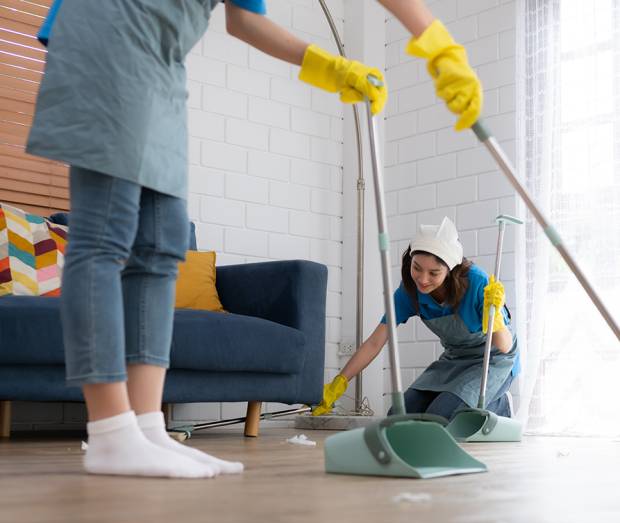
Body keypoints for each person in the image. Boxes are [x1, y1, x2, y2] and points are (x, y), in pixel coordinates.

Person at [27, 0, 482, 478]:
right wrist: (438, 43)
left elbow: (243, 19)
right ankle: (110, 432)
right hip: (111, 30)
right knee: (105, 238)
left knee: (161, 248)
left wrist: (328, 65)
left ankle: (144, 427)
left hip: (162, 60)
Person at [313, 218, 519, 420]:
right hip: (455, 359)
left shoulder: (478, 283)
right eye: (417, 268)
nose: (422, 279)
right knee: (397, 417)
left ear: (450, 271)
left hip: (492, 361)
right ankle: (460, 401)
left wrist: (496, 311)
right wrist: (339, 382)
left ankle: (499, 404)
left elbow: (504, 346)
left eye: (434, 273)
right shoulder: (409, 292)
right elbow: (374, 343)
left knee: (440, 416)